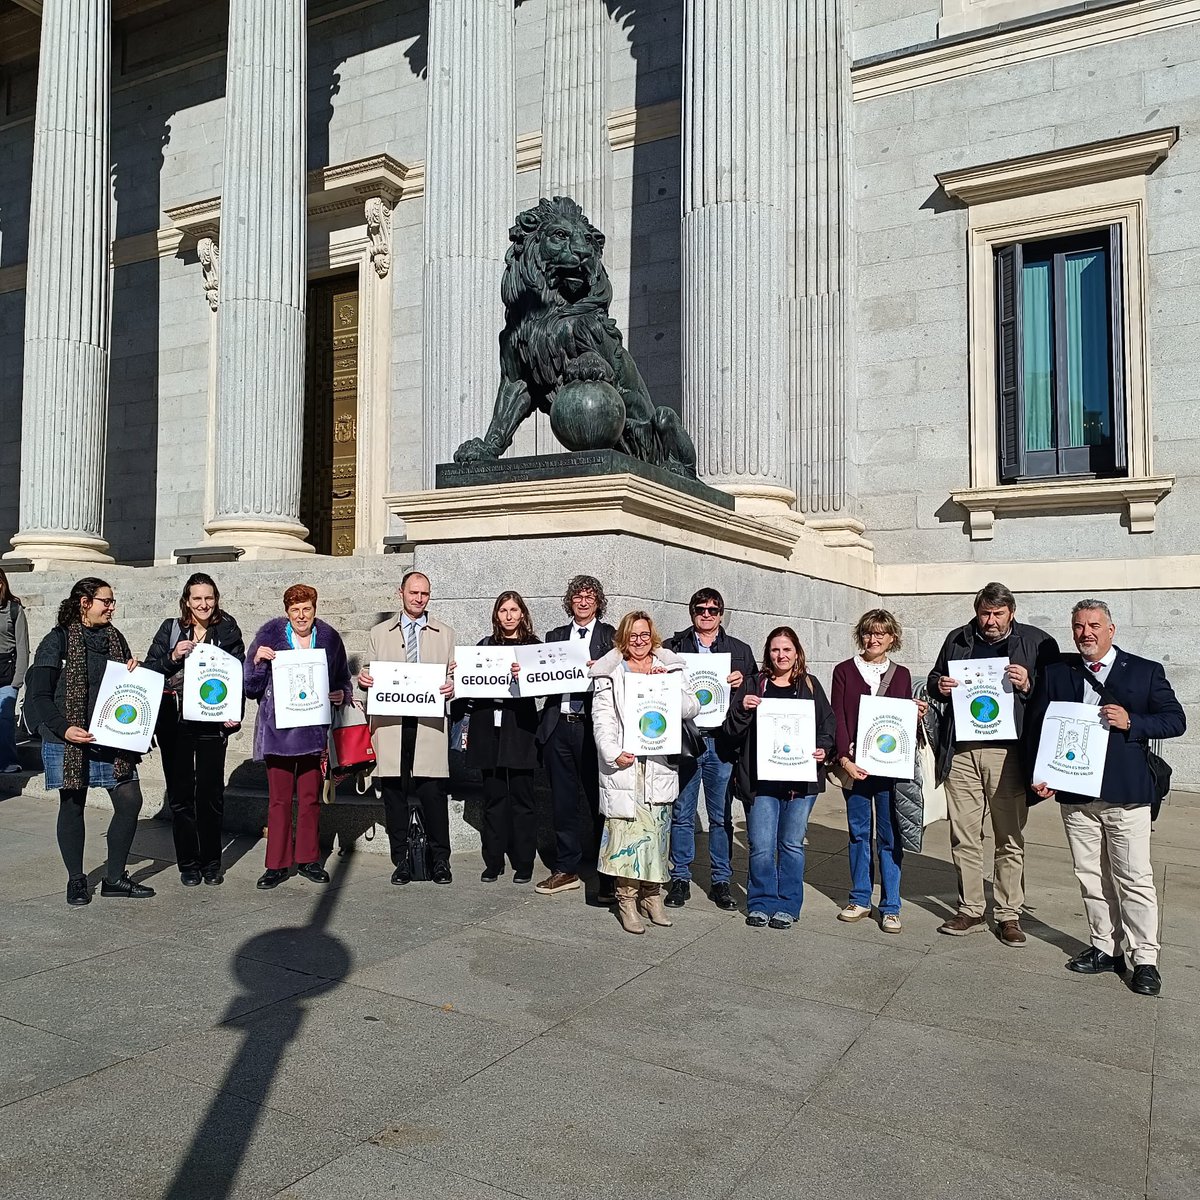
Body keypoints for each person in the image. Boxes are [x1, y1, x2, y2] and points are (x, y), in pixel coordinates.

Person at [1030, 600, 1186, 997]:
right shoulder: (1057, 672)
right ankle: (1106, 947)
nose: (1087, 633)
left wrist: (1133, 721)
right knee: (1091, 876)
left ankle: (1145, 958)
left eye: (1095, 625)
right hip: (1075, 794)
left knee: (1134, 878)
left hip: (1125, 795)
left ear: (1111, 629)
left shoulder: (1145, 671)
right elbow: (1041, 727)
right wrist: (1042, 775)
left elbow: (1175, 720)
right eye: (1079, 626)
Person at [927, 582, 1058, 945]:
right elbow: (936, 677)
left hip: (1010, 752)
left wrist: (1029, 683)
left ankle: (1008, 914)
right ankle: (970, 908)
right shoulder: (959, 638)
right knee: (964, 835)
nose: (990, 621)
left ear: (1011, 612)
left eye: (998, 614)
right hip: (963, 751)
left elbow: (1055, 692)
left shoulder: (1036, 642)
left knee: (1009, 836)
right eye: (985, 613)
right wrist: (941, 685)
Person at [23, 578, 154, 905]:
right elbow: (39, 695)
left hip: (112, 735)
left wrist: (132, 669)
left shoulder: (114, 637)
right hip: (68, 738)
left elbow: (123, 684)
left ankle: (114, 878)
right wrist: (63, 728)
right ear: (84, 603)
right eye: (105, 601)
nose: (111, 607)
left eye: (111, 601)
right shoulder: (57, 641)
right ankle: (76, 880)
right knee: (72, 805)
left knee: (129, 800)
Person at [591, 611, 701, 934]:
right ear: (623, 638)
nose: (638, 641)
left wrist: (664, 684)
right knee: (626, 836)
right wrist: (612, 754)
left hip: (658, 766)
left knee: (656, 834)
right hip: (626, 766)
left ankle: (652, 896)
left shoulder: (670, 665)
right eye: (632, 635)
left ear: (652, 636)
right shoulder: (610, 672)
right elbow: (603, 719)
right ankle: (626, 899)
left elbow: (692, 706)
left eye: (644, 635)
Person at [725, 627, 835, 929]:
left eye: (787, 649)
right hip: (762, 781)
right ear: (768, 654)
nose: (781, 655)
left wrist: (823, 749)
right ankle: (760, 902)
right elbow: (731, 731)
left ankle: (788, 904)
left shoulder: (810, 686)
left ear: (797, 652)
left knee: (791, 844)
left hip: (801, 782)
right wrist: (744, 709)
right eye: (775, 650)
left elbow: (828, 725)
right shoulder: (754, 685)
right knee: (761, 845)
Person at [244, 584, 351, 890]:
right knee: (278, 801)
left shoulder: (329, 638)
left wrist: (341, 693)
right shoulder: (268, 635)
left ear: (315, 609)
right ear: (286, 611)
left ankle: (307, 859)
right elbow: (251, 688)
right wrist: (257, 661)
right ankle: (276, 865)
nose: (301, 615)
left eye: (307, 609)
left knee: (309, 799)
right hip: (279, 732)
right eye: (295, 610)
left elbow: (343, 677)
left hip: (314, 733)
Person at [145, 573, 245, 887]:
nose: (203, 604)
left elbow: (238, 672)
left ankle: (211, 863)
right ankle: (188, 863)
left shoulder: (226, 630)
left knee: (211, 794)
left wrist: (235, 712)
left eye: (209, 598)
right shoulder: (170, 629)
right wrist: (173, 655)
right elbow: (150, 668)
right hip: (174, 723)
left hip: (212, 721)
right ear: (187, 601)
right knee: (180, 795)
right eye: (197, 598)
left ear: (216, 600)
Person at [830, 609, 925, 934]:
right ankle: (859, 898)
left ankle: (891, 905)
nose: (874, 639)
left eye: (881, 634)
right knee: (858, 834)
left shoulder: (901, 675)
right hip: (855, 767)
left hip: (888, 770)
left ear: (892, 638)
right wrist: (844, 760)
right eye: (869, 633)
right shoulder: (844, 671)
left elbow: (897, 721)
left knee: (889, 837)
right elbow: (839, 717)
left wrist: (915, 713)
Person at [358, 571, 456, 885]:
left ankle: (441, 860)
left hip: (428, 724)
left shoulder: (445, 633)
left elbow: (455, 674)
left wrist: (452, 686)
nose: (419, 598)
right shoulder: (379, 632)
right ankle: (401, 859)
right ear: (400, 593)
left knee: (433, 792)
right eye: (413, 592)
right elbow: (369, 671)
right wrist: (364, 679)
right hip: (390, 723)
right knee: (394, 793)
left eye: (424, 594)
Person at [663, 587, 756, 910]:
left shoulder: (740, 651)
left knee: (720, 817)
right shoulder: (672, 647)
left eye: (713, 610)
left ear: (721, 614)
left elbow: (755, 693)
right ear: (692, 612)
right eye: (701, 609)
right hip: (687, 739)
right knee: (682, 814)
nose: (707, 614)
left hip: (721, 742)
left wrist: (741, 682)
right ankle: (680, 878)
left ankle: (721, 881)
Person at [535, 574, 616, 900]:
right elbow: (539, 676)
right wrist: (523, 673)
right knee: (563, 802)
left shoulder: (610, 637)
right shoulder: (555, 636)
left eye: (590, 597)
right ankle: (566, 868)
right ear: (570, 602)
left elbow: (624, 674)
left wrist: (605, 667)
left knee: (602, 801)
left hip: (593, 728)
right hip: (559, 726)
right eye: (578, 597)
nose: (583, 602)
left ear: (598, 603)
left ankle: (608, 872)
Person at [466, 591, 540, 884]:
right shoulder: (484, 645)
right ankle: (493, 861)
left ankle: (524, 862)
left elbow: (545, 685)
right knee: (493, 798)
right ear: (496, 615)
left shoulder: (534, 647)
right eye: (503, 610)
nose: (508, 616)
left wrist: (526, 674)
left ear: (522, 613)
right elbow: (470, 685)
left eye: (514, 610)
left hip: (520, 730)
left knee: (523, 798)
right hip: (488, 729)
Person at [0, 568, 30, 774]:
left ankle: (8, 761)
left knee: (5, 718)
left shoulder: (14, 610)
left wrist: (17, 680)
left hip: (7, 672)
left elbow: (22, 646)